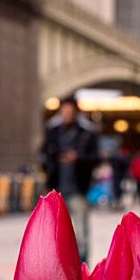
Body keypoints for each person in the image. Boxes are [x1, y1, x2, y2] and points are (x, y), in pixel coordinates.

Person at [41, 96, 99, 262]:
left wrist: (78, 157)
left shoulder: (86, 133)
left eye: (70, 112)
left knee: (81, 232)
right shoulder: (52, 132)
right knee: (54, 232)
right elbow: (43, 155)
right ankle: (56, 267)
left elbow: (95, 158)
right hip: (56, 188)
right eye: (64, 112)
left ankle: (82, 269)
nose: (67, 115)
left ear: (76, 113)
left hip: (77, 189)